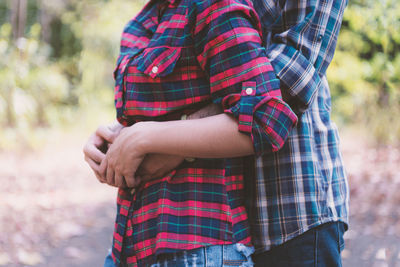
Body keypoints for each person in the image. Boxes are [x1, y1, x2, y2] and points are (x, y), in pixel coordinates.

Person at [85, 0, 350, 265]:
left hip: (285, 201)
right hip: (180, 225)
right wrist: (118, 140)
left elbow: (294, 72)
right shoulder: (149, 18)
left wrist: (161, 141)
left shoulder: (213, 6)